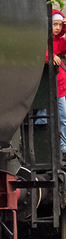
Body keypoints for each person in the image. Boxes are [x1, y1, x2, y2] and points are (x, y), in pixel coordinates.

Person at [53, 9, 66, 152]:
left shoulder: (60, 41)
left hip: (62, 87)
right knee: (62, 118)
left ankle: (63, 146)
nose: (57, 28)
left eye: (60, 25)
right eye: (54, 24)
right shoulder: (46, 41)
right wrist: (50, 54)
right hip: (53, 86)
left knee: (63, 118)